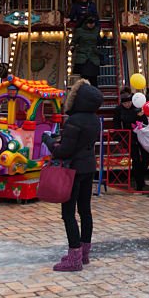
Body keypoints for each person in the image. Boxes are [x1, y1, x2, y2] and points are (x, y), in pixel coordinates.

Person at [46, 78, 103, 272]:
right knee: (85, 210)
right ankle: (84, 252)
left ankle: (74, 256)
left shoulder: (74, 121)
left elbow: (65, 151)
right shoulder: (95, 120)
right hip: (88, 167)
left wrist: (50, 143)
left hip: (73, 170)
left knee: (68, 213)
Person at [114, 87, 149, 191]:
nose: (128, 105)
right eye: (125, 103)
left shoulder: (137, 106)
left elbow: (145, 121)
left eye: (129, 102)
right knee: (136, 159)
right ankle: (139, 182)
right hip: (128, 136)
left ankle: (141, 176)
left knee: (146, 157)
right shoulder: (119, 110)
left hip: (141, 135)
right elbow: (116, 123)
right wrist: (120, 137)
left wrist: (140, 116)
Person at [71, 14, 101, 86]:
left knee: (94, 77)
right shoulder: (79, 31)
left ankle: (93, 93)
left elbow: (98, 40)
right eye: (90, 23)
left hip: (93, 55)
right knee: (84, 77)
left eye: (92, 23)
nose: (91, 25)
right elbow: (74, 41)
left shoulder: (96, 30)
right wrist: (72, 46)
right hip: (83, 55)